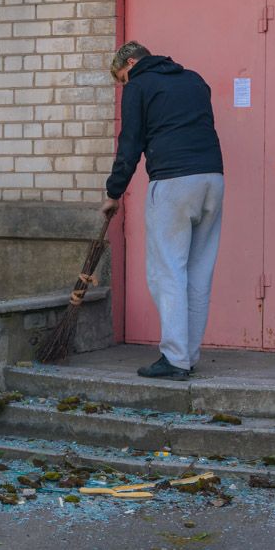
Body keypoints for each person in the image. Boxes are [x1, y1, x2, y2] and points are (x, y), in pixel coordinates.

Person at [101, 41, 224, 381]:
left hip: (173, 182)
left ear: (129, 63)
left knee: (167, 271)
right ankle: (188, 354)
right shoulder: (195, 80)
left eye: (121, 77)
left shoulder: (139, 85)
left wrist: (114, 192)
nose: (125, 84)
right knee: (199, 271)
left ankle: (174, 358)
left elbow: (130, 143)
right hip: (212, 178)